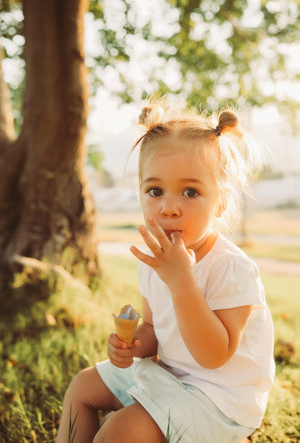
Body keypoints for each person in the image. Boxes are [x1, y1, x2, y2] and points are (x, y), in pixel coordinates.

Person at [56, 99, 275, 443]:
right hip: (172, 377)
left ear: (220, 201)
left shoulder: (232, 268)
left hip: (219, 399)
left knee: (117, 432)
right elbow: (154, 329)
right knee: (82, 386)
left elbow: (214, 355)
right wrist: (132, 347)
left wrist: (180, 280)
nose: (169, 208)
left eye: (190, 192)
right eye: (155, 191)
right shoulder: (153, 258)